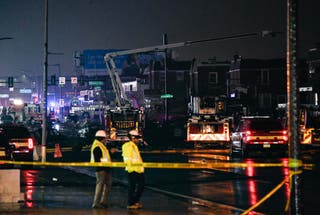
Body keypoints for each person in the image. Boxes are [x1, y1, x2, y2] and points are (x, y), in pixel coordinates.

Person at [90, 130, 113, 209]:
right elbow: (98, 160)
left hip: (106, 168)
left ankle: (103, 202)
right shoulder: (97, 146)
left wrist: (110, 152)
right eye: (105, 138)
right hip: (101, 169)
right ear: (102, 138)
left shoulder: (101, 145)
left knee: (107, 185)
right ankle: (96, 203)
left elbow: (104, 156)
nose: (106, 139)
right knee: (100, 186)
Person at [122, 130, 145, 209]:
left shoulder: (134, 146)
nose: (138, 140)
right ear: (132, 138)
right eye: (137, 138)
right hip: (132, 170)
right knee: (132, 187)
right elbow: (127, 158)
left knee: (141, 186)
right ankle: (131, 203)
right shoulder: (127, 146)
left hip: (138, 169)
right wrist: (130, 166)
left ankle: (135, 202)